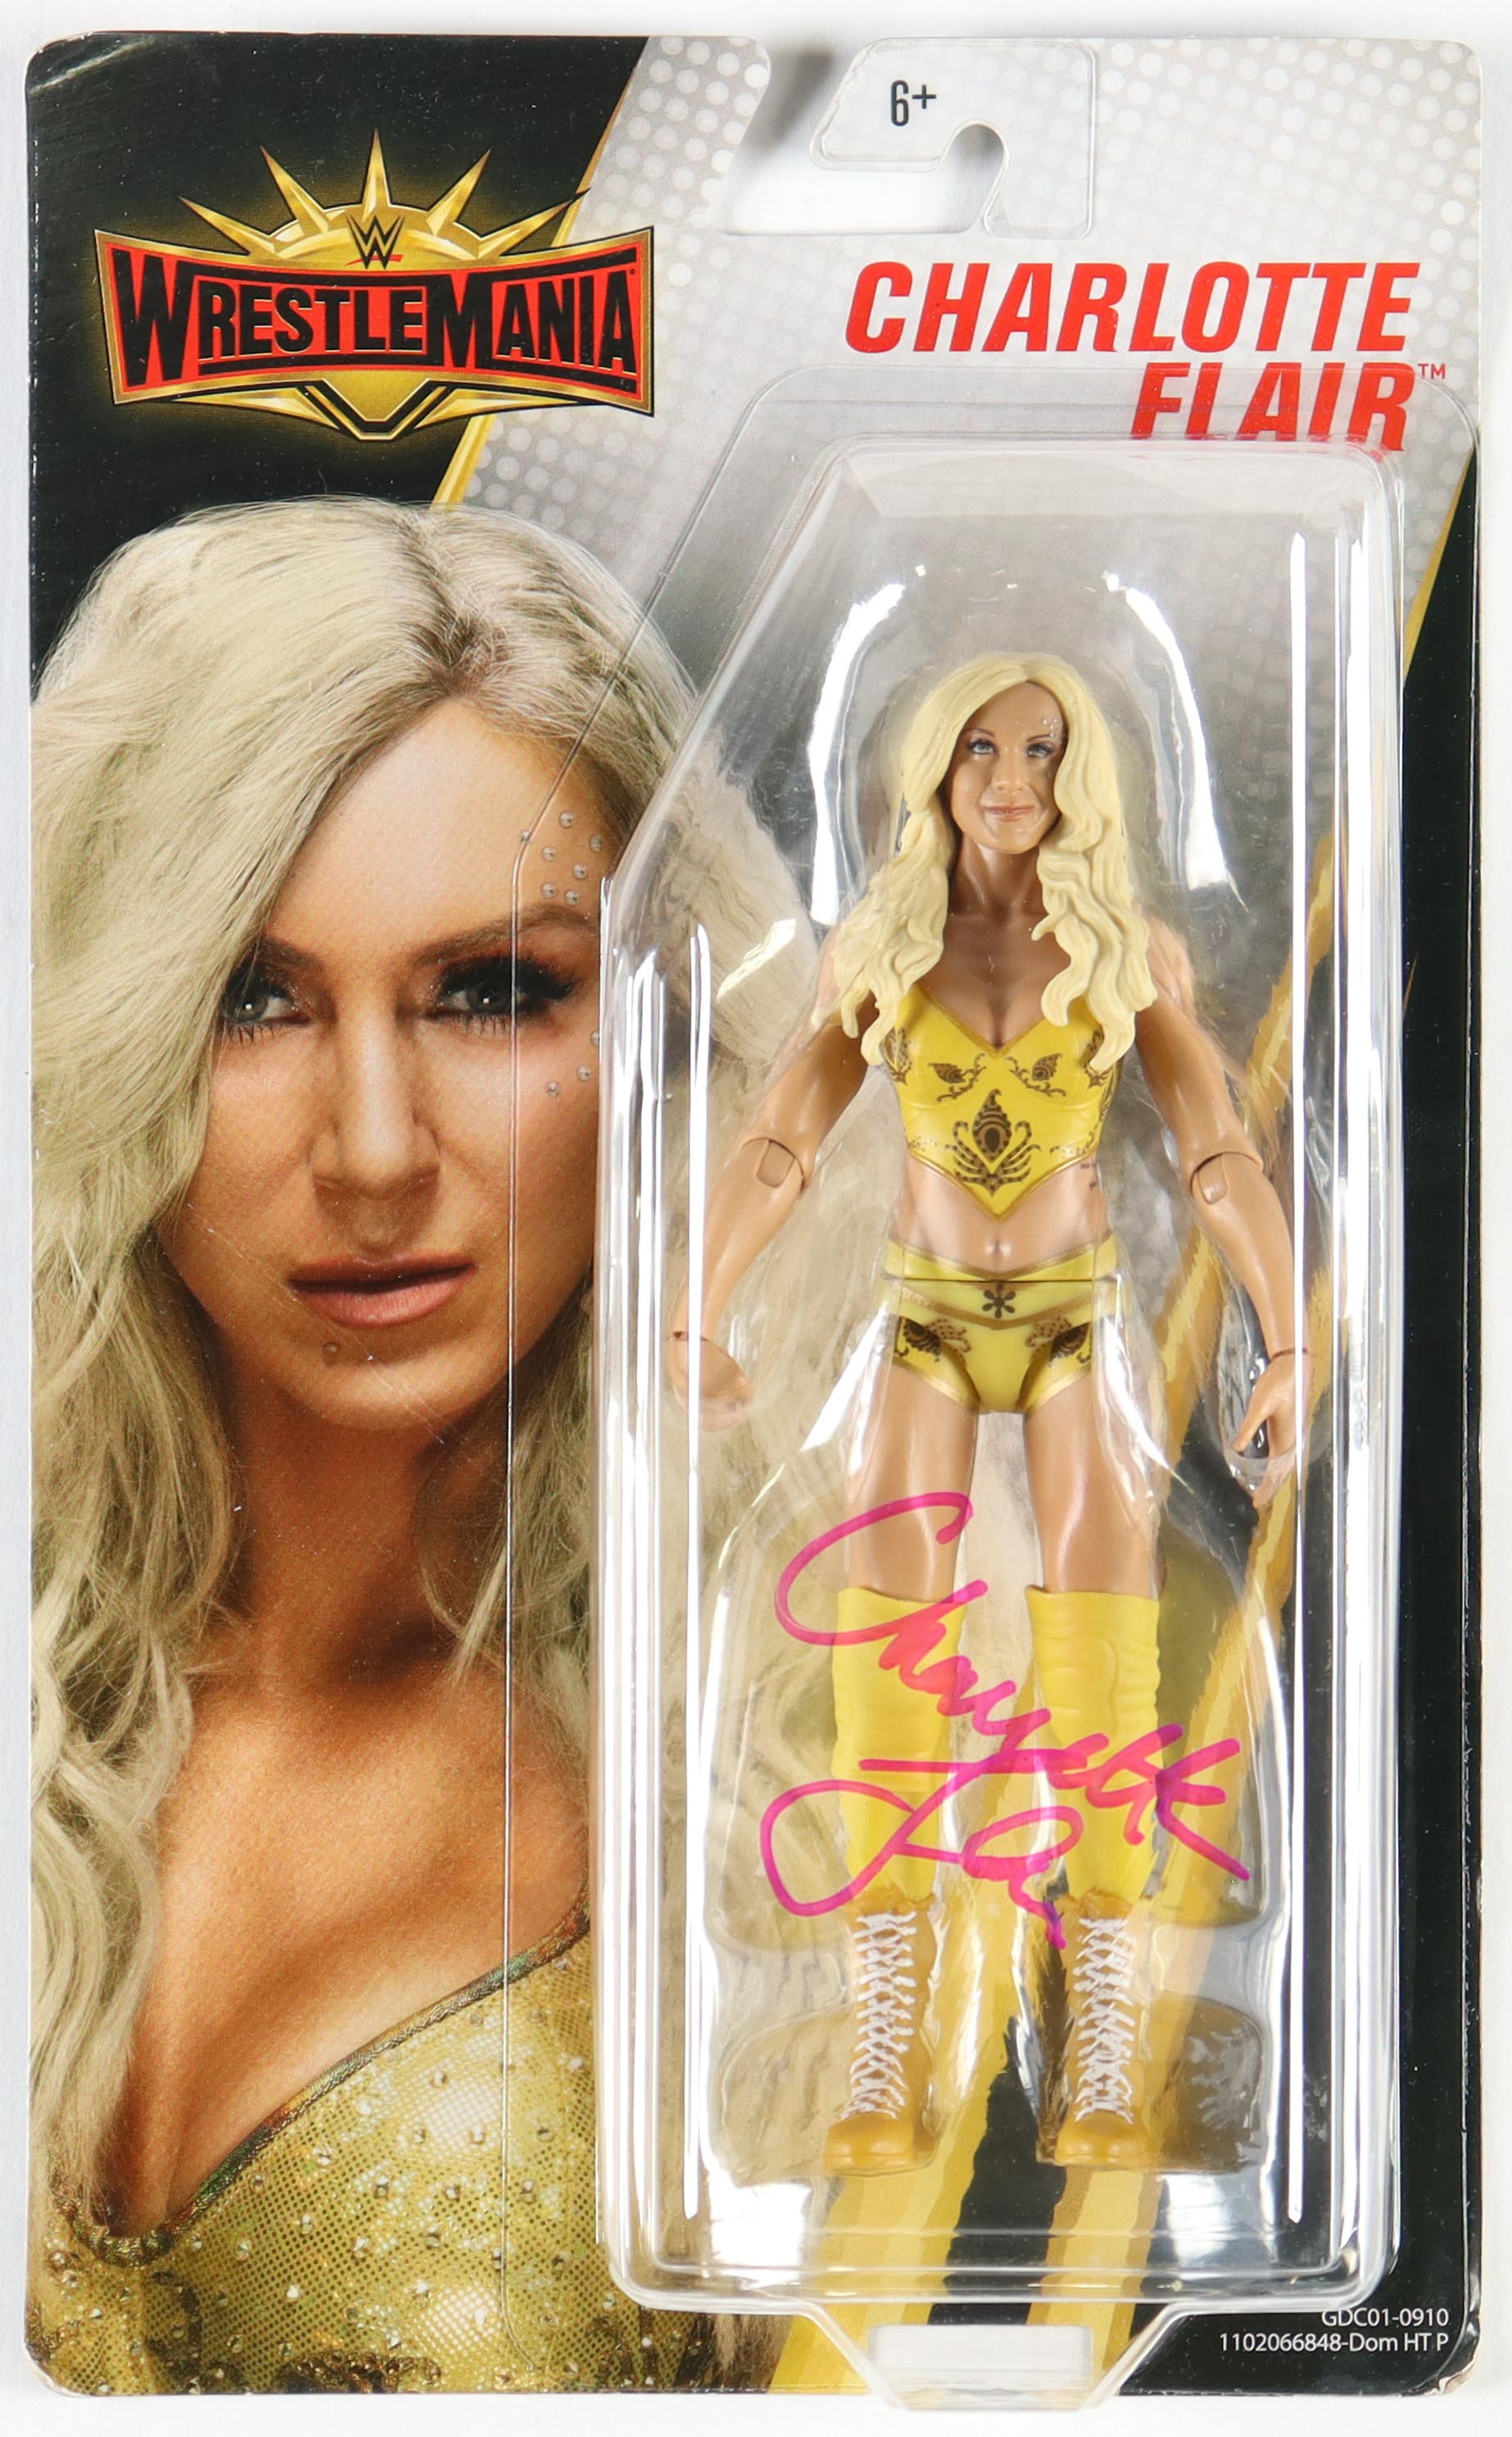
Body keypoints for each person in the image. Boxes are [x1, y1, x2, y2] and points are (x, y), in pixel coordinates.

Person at [29, 496, 794, 2392]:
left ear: (664, 1033)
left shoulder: (807, 1768)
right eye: (251, 999)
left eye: (493, 992)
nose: (373, 1149)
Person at [673, 653, 1303, 2177]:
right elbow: (781, 1139)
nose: (1008, 779)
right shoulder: (884, 954)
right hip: (927, 1324)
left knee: (1100, 1666)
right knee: (894, 1659)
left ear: (1078, 774)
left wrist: (1284, 1336)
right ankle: (883, 2044)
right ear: (933, 770)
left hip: (1076, 1324)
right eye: (978, 749)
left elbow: (1214, 1147)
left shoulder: (1120, 957)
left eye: (1037, 750)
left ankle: (1103, 2044)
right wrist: (698, 1302)